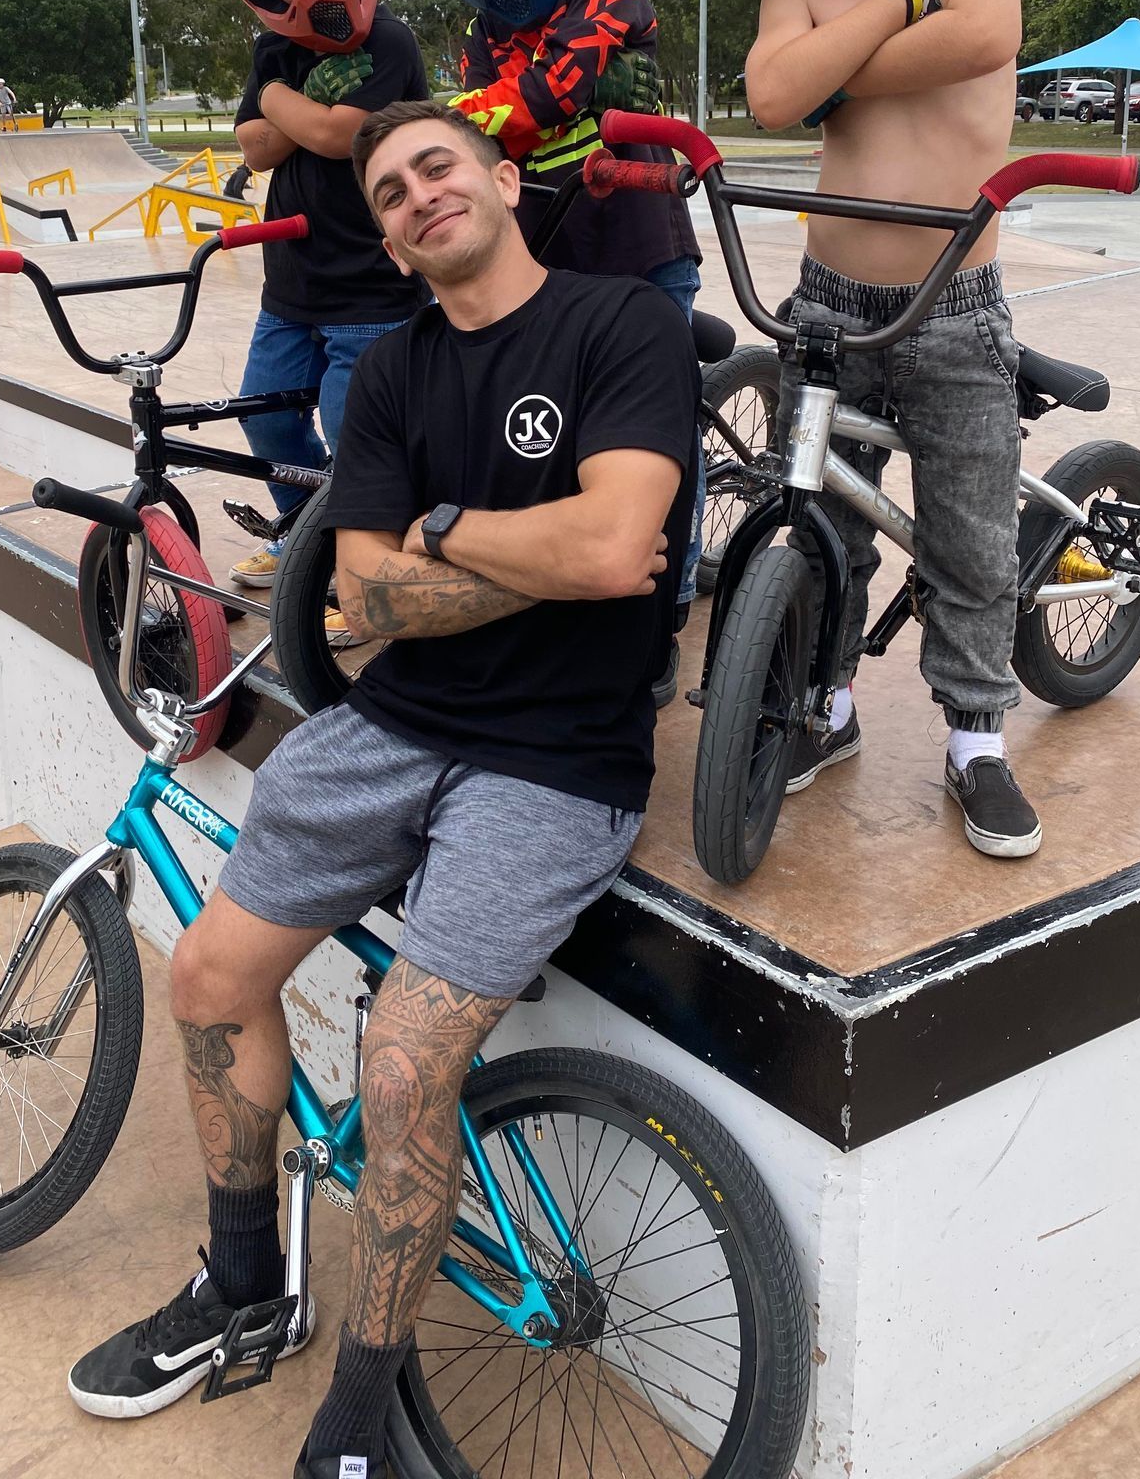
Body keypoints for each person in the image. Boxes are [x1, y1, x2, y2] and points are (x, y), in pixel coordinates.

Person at [67, 100, 699, 1479]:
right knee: (206, 982)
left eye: (437, 169)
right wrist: (522, 554)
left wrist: (452, 531)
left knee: (403, 1067)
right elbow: (364, 595)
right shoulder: (396, 376)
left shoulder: (618, 328)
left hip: (555, 764)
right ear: (393, 249)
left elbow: (614, 550)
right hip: (389, 731)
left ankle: (361, 1407)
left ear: (503, 179)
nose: (417, 197)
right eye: (392, 194)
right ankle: (243, 1285)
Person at [651, 0, 1038, 859]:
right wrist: (901, 4)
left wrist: (843, 64)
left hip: (954, 302)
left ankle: (976, 737)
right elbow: (773, 96)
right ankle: (826, 701)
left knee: (969, 527)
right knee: (820, 518)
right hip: (826, 304)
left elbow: (989, 31)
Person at [394, 0, 704, 698]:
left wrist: (476, 116)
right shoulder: (489, 26)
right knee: (540, 427)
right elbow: (479, 134)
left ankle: (669, 598)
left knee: (652, 438)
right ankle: (546, 578)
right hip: (545, 243)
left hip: (636, 230)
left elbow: (551, 89)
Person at [194, 0, 429, 600]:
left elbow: (340, 136)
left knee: (355, 434)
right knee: (265, 418)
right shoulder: (273, 46)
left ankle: (362, 568)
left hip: (371, 289)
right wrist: (291, 108)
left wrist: (278, 100)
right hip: (291, 289)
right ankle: (308, 533)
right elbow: (255, 146)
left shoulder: (386, 41)